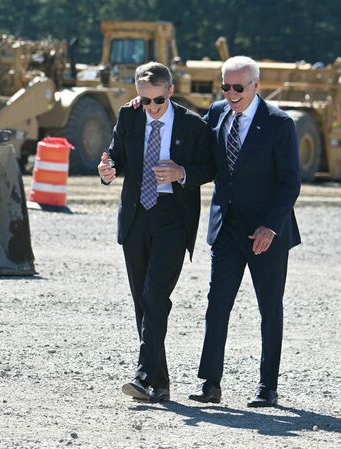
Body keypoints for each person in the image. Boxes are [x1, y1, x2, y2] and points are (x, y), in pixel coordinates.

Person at [188, 56, 301, 407]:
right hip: (226, 229)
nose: (231, 93)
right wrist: (141, 104)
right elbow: (201, 153)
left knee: (269, 308)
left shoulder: (280, 123)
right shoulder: (217, 113)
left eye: (239, 87)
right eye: (226, 86)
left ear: (256, 85)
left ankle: (267, 387)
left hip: (266, 231)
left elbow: (290, 183)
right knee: (217, 305)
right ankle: (210, 384)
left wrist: (271, 226)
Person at [98, 61, 214, 403]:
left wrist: (181, 172)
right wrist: (107, 171)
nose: (151, 108)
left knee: (154, 296)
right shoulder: (129, 115)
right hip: (136, 217)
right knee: (142, 302)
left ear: (171, 92)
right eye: (144, 100)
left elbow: (209, 167)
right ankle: (158, 384)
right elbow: (115, 158)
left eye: (157, 101)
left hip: (172, 217)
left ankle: (143, 375)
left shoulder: (193, 125)